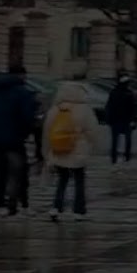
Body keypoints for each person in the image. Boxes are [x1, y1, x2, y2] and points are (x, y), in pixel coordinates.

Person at [0, 65, 37, 217]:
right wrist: (24, 133)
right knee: (15, 174)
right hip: (14, 141)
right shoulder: (23, 93)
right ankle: (12, 205)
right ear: (21, 76)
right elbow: (27, 118)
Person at [42, 81, 101, 222]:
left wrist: (47, 152)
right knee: (79, 181)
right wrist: (93, 146)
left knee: (62, 180)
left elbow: (47, 131)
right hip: (78, 151)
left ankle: (56, 207)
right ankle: (78, 211)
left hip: (59, 150)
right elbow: (93, 131)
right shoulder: (85, 109)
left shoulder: (55, 109)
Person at [105, 74, 137, 167]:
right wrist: (134, 120)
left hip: (119, 120)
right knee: (123, 140)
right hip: (122, 120)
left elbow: (109, 107)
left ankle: (116, 159)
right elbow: (133, 108)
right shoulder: (127, 93)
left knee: (117, 141)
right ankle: (124, 158)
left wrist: (109, 119)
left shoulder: (116, 92)